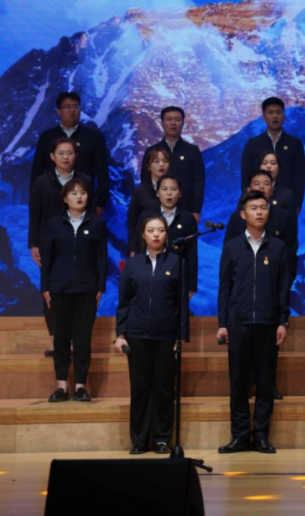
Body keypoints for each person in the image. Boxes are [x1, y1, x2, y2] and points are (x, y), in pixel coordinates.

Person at [216, 191, 291, 454]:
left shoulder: (278, 247)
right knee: (238, 382)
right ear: (243, 214)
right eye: (253, 208)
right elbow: (224, 288)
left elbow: (283, 288)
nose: (259, 212)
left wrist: (283, 321)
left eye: (263, 207)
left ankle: (260, 435)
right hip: (238, 323)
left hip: (268, 324)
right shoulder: (232, 247)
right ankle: (239, 435)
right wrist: (222, 323)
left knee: (265, 382)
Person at [113, 214, 189, 454]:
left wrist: (181, 337)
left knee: (164, 388)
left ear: (166, 234)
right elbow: (124, 301)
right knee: (140, 388)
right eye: (151, 230)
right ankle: (139, 440)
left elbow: (182, 304)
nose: (156, 234)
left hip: (166, 336)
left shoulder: (177, 263)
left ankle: (161, 439)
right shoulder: (132, 264)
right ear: (143, 235)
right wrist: (120, 334)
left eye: (161, 230)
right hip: (136, 335)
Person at [39, 178, 107, 403]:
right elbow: (47, 260)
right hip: (59, 289)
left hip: (87, 289)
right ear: (65, 198)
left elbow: (101, 258)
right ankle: (61, 386)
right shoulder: (53, 224)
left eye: (83, 193)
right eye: (74, 193)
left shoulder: (97, 224)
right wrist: (45, 287)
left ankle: (80, 386)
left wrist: (100, 287)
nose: (79, 196)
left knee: (82, 339)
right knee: (61, 339)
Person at [28, 137, 94, 354]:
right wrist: (33, 244)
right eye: (61, 153)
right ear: (52, 156)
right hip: (49, 245)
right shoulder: (41, 182)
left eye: (70, 153)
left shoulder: (85, 180)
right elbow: (35, 214)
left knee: (76, 293)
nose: (66, 157)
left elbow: (91, 214)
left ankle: (73, 340)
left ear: (76, 156)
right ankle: (55, 339)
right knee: (50, 292)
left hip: (78, 244)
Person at [31, 91, 112, 213]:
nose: (72, 110)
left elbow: (103, 172)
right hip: (51, 202)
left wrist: (100, 203)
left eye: (76, 106)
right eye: (67, 107)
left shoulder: (93, 137)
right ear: (58, 111)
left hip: (84, 202)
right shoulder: (47, 137)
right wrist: (35, 202)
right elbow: (37, 171)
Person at [225, 170, 298, 286]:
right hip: (241, 283)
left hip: (274, 283)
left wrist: (287, 283)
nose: (261, 187)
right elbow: (228, 253)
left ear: (272, 190)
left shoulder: (284, 217)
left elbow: (290, 252)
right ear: (248, 190)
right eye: (257, 183)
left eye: (266, 183)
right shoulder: (237, 218)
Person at [240, 97, 305, 213]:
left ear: (284, 116)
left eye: (278, 112)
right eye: (270, 113)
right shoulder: (253, 144)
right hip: (258, 203)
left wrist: (297, 203)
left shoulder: (295, 144)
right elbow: (246, 175)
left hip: (287, 202)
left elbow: (300, 176)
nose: (275, 116)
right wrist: (246, 201)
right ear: (263, 117)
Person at [139, 106, 205, 221]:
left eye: (177, 119)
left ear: (183, 123)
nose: (173, 123)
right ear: (162, 123)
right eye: (169, 119)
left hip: (185, 209)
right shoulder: (152, 151)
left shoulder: (192, 151)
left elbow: (198, 183)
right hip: (156, 210)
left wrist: (196, 211)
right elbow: (145, 181)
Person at [155, 174, 199, 299]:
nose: (169, 193)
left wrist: (191, 285)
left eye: (174, 189)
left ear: (180, 194)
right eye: (164, 189)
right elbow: (140, 250)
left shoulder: (187, 219)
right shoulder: (148, 217)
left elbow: (192, 254)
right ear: (157, 193)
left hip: (179, 277)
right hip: (151, 277)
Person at [127, 146, 169, 257]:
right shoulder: (140, 192)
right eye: (156, 161)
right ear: (148, 166)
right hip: (144, 248)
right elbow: (132, 225)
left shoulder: (175, 191)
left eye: (165, 161)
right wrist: (132, 250)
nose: (161, 165)